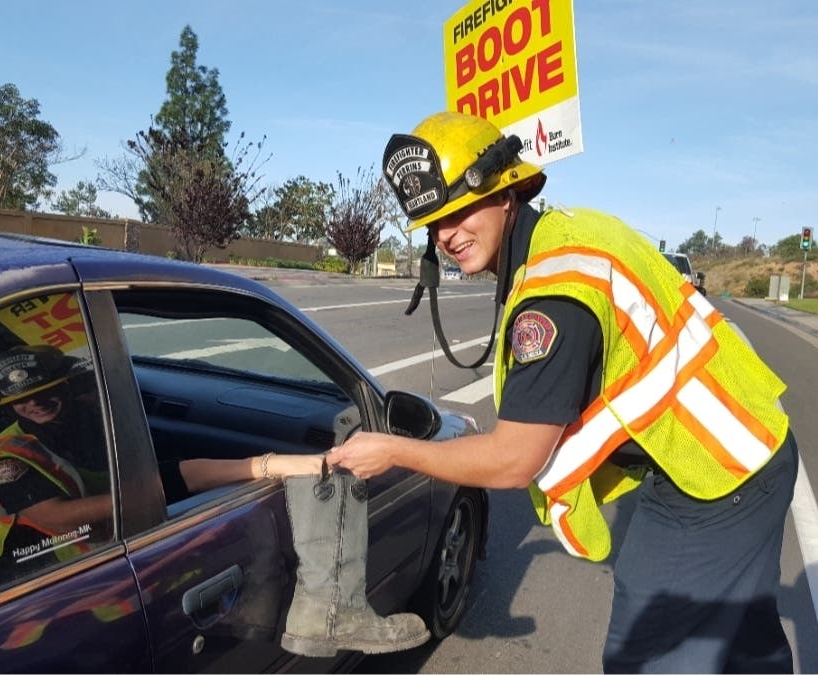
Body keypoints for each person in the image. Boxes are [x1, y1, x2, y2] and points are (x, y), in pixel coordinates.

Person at [327, 110, 798, 673]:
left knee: (644, 652)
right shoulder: (562, 237)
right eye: (432, 223)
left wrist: (394, 451)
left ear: (504, 193)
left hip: (720, 471)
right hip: (730, 448)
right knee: (740, 640)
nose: (445, 235)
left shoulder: (555, 287)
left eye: (457, 210)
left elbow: (513, 461)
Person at [0, 344, 429, 656]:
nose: (37, 405)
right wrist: (154, 494)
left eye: (46, 393)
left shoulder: (84, 419)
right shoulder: (5, 458)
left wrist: (289, 464)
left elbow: (184, 475)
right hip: (11, 591)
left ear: (63, 387)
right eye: (23, 403)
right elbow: (54, 516)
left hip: (93, 568)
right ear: (6, 409)